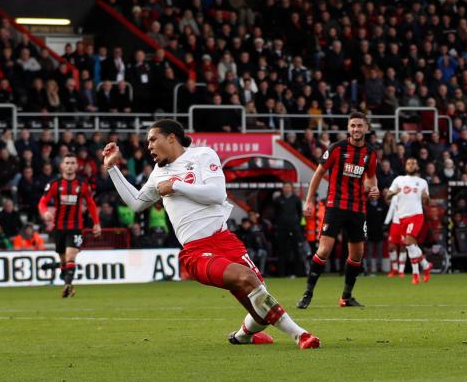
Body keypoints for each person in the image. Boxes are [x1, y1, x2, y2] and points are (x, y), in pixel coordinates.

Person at [104, 119, 320, 349]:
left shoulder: (203, 156)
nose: (149, 146)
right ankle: (301, 335)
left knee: (260, 306)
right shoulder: (158, 174)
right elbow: (137, 203)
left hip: (226, 239)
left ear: (171, 138)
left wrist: (177, 186)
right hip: (197, 252)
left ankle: (243, 335)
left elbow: (217, 194)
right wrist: (111, 168)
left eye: (153, 139)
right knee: (247, 279)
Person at [298, 112, 379, 309]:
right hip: (335, 206)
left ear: (366, 128)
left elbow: (370, 178)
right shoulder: (337, 149)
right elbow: (318, 174)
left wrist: (374, 188)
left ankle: (346, 297)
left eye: (359, 126)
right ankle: (308, 293)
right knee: (324, 249)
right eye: (352, 126)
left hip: (358, 209)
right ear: (348, 128)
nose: (356, 129)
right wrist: (309, 201)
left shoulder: (371, 153)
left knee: (357, 255)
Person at [38, 153, 101, 297]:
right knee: (64, 261)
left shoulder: (82, 185)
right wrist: (45, 212)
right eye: (67, 163)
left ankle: (67, 285)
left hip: (76, 227)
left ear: (77, 166)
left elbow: (91, 204)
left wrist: (96, 223)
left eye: (73, 163)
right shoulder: (54, 184)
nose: (70, 165)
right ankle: (69, 284)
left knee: (70, 257)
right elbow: (42, 202)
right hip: (59, 228)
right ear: (62, 166)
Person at [384, 157, 431, 283]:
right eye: (409, 163)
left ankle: (415, 275)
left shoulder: (422, 182)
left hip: (416, 216)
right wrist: (394, 193)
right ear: (405, 166)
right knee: (411, 245)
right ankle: (426, 266)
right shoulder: (399, 180)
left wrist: (426, 198)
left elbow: (427, 202)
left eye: (413, 164)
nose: (411, 165)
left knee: (409, 242)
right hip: (402, 217)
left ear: (417, 167)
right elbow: (387, 196)